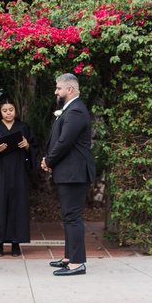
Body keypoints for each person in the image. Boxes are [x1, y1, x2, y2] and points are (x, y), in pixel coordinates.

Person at [41, 73, 96, 276]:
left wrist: (48, 160)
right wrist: (49, 159)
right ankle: (68, 257)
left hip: (75, 172)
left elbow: (65, 141)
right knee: (68, 216)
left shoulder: (76, 111)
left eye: (58, 88)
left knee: (73, 216)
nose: (56, 91)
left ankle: (77, 263)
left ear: (69, 89)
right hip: (68, 171)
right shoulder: (70, 110)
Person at [0, 99, 38, 257]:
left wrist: (27, 146)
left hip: (18, 171)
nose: (8, 113)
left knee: (18, 205)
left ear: (16, 110)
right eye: (5, 110)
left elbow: (34, 147)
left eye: (11, 109)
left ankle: (16, 243)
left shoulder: (23, 127)